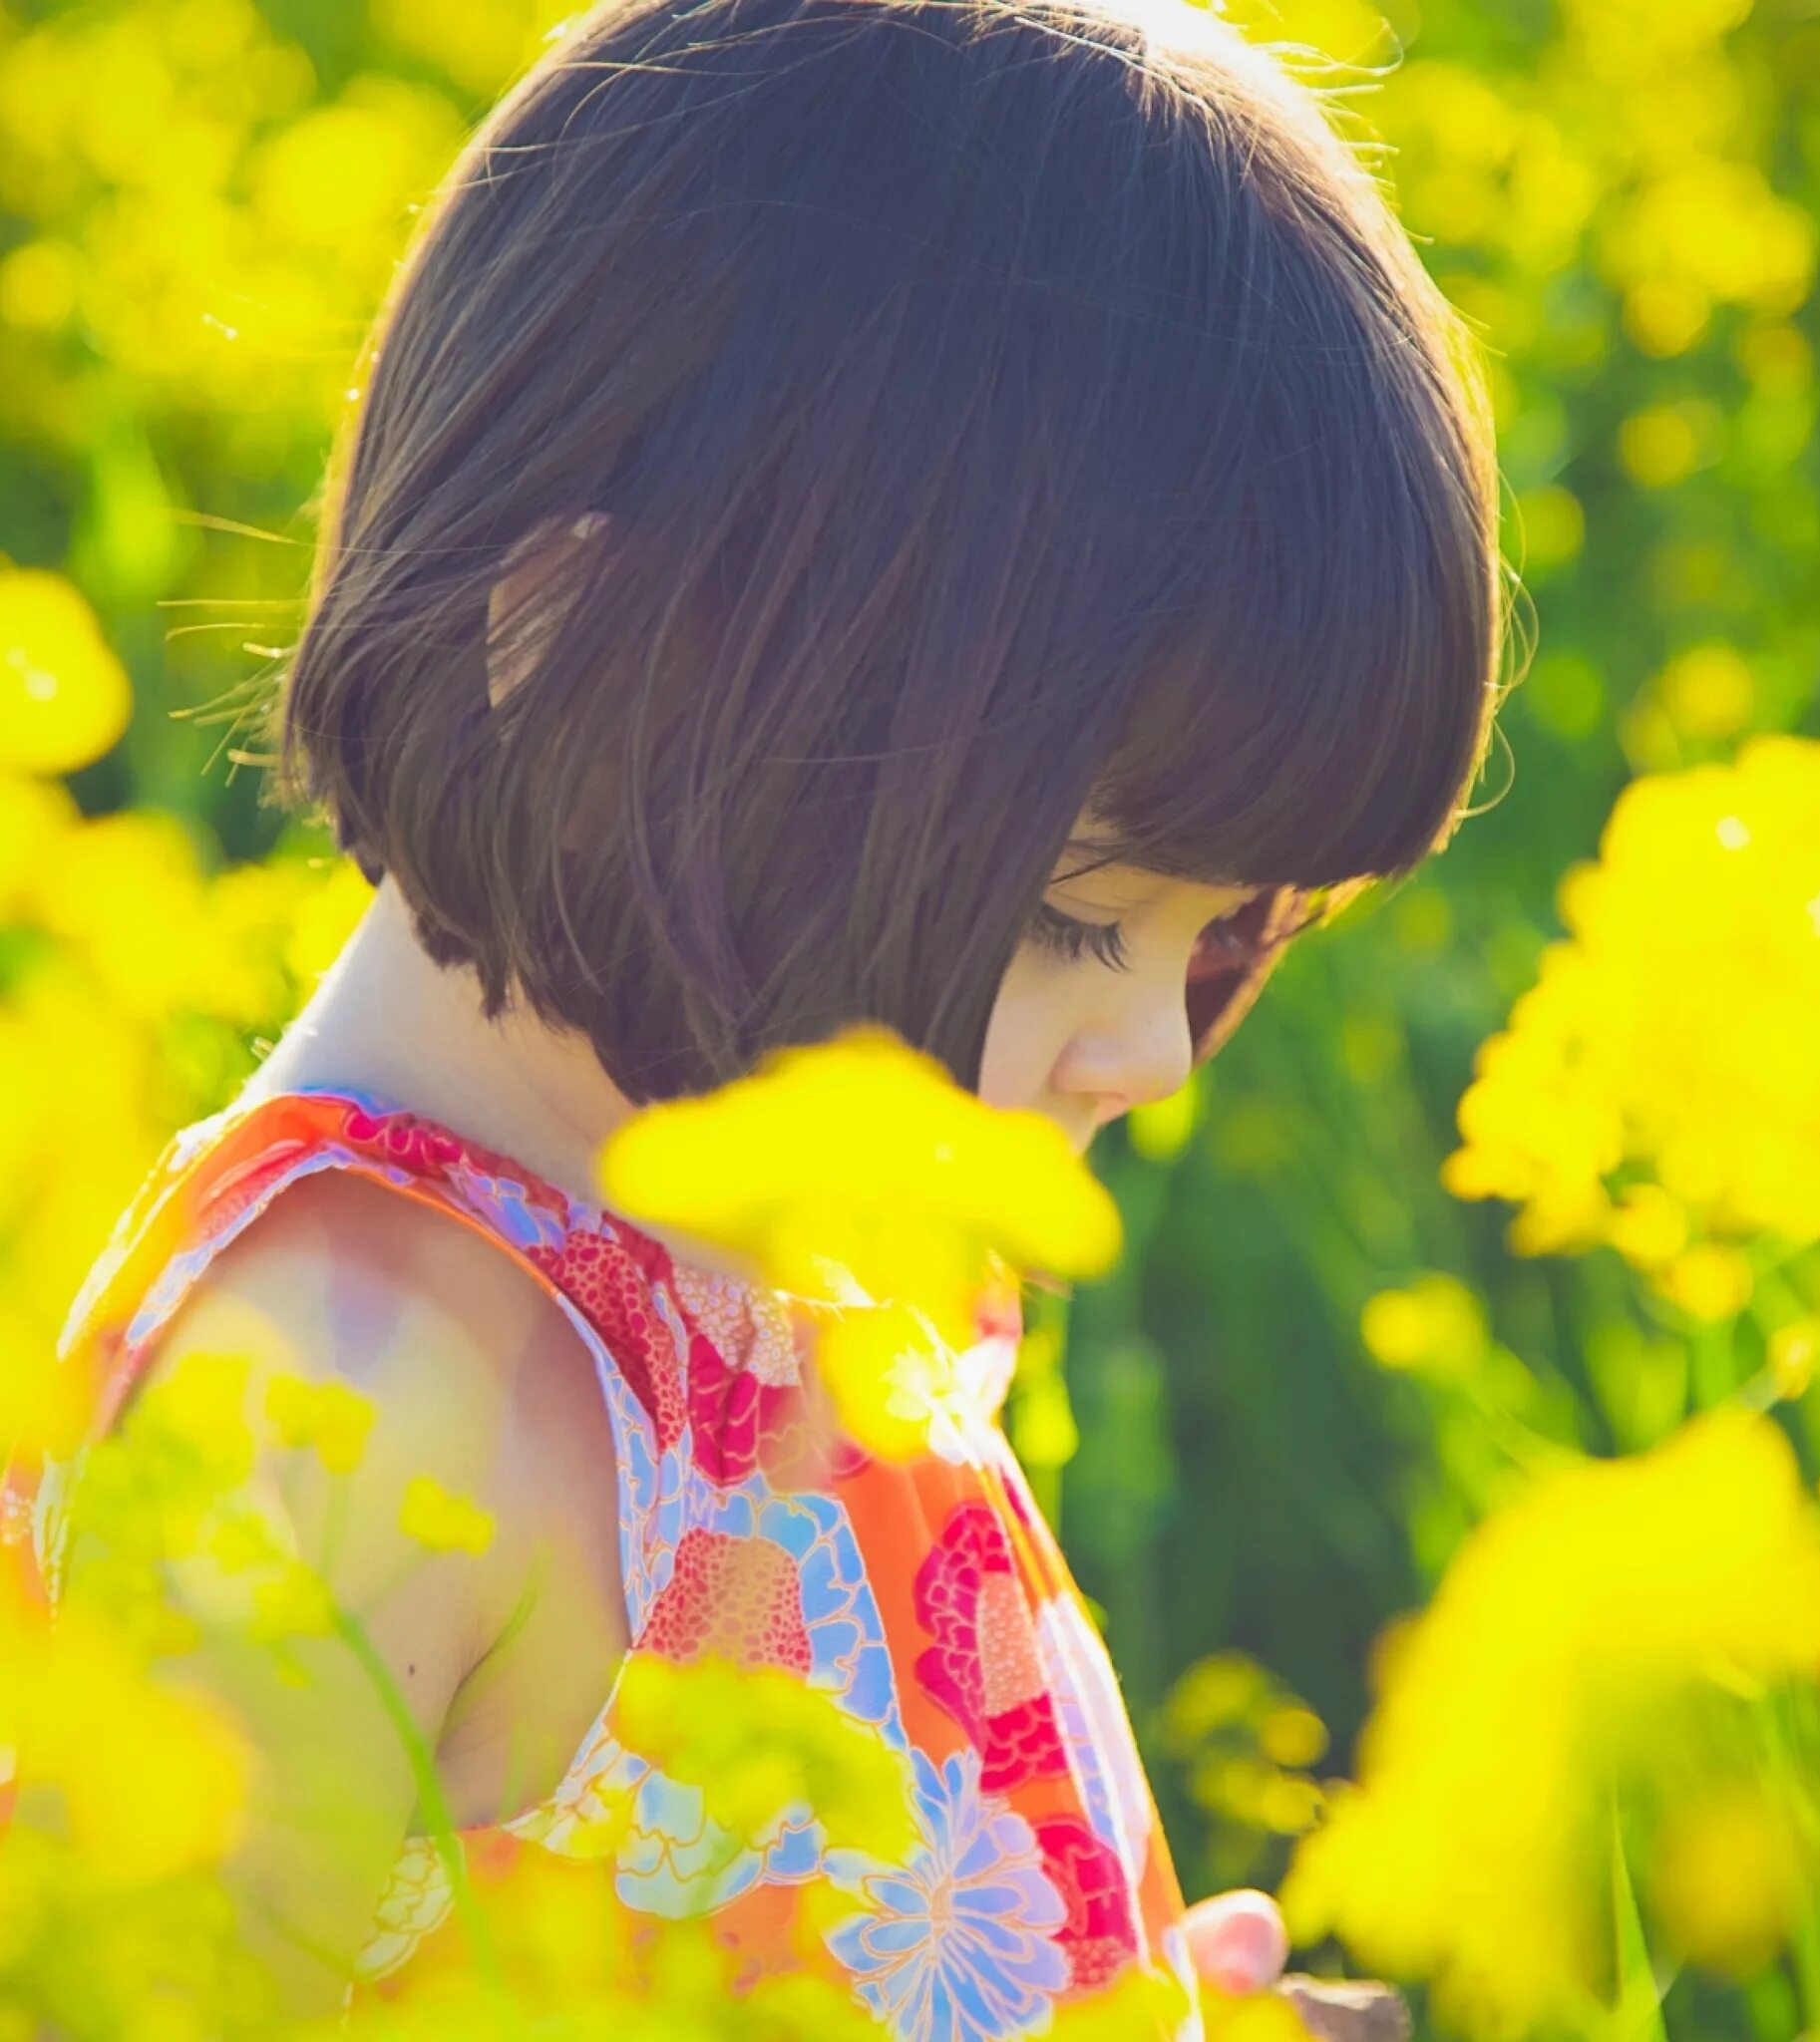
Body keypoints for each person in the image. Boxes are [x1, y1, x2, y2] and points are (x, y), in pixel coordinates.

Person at [4, 0, 1501, 2028]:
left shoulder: (750, 1260)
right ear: (589, 659)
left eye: (1218, 932)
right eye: (1074, 914)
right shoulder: (351, 1401)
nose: (1151, 1045)